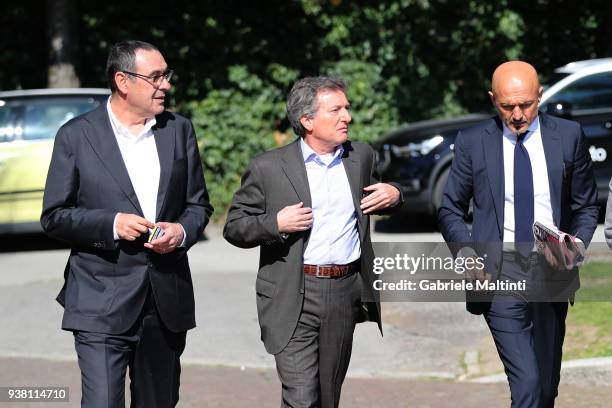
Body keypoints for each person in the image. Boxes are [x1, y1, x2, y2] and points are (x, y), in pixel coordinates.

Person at [41, 40, 213, 407]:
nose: (165, 84)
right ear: (122, 80)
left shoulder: (179, 130)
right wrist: (112, 224)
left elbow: (198, 205)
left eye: (166, 75)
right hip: (99, 300)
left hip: (164, 301)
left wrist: (180, 232)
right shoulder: (76, 135)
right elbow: (54, 216)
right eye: (155, 77)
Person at [223, 76, 402, 408]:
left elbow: (380, 196)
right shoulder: (268, 167)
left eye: (347, 108)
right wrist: (274, 223)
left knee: (328, 397)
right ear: (307, 120)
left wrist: (395, 194)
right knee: (302, 398)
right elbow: (234, 227)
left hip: (345, 289)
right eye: (335, 110)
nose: (346, 117)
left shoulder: (360, 157)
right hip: (293, 291)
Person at [438, 61, 598, 407]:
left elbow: (586, 206)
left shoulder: (568, 136)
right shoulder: (473, 142)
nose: (517, 114)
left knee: (544, 389)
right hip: (498, 276)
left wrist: (578, 245)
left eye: (526, 104)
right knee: (526, 385)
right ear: (493, 99)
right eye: (507, 106)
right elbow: (450, 208)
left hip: (552, 272)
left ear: (540, 96)